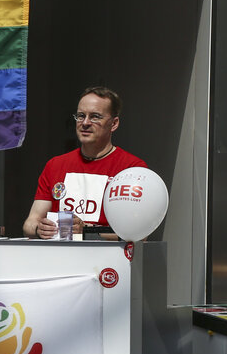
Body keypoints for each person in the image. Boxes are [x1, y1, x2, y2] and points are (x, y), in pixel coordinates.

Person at [23, 86, 147, 239]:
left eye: (95, 117)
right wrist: (39, 229)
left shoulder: (132, 169)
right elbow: (30, 223)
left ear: (114, 124)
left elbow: (139, 234)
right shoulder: (55, 165)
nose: (85, 123)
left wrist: (87, 231)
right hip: (59, 258)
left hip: (107, 260)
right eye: (81, 116)